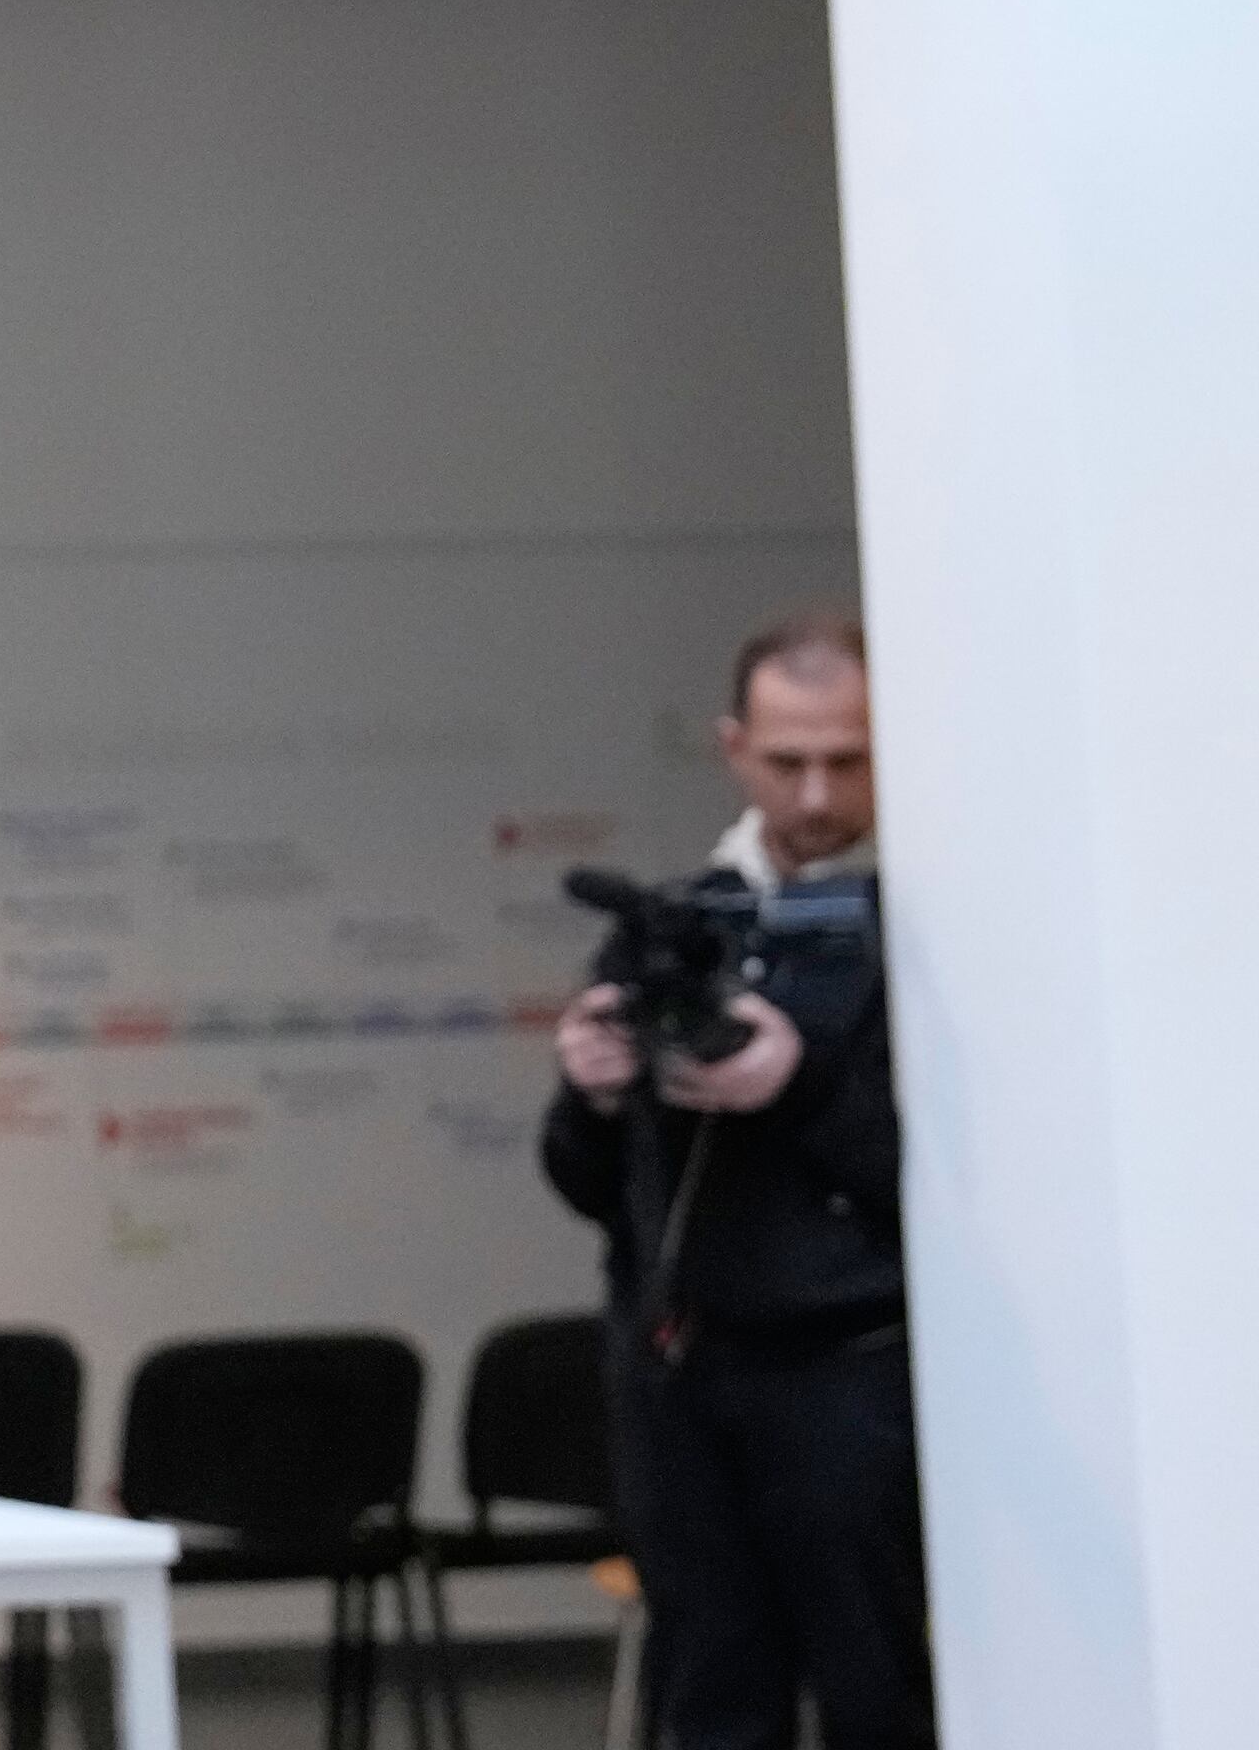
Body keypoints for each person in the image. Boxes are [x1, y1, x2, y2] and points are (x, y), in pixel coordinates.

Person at [542, 611, 933, 1750]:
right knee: (710, 1690)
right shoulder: (675, 928)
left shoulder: (931, 923)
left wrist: (797, 1086)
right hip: (679, 1368)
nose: (816, 796)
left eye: (847, 762)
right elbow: (588, 1186)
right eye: (786, 761)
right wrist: (592, 1091)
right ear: (733, 750)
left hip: (851, 1366)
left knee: (874, 1688)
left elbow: (948, 1187)